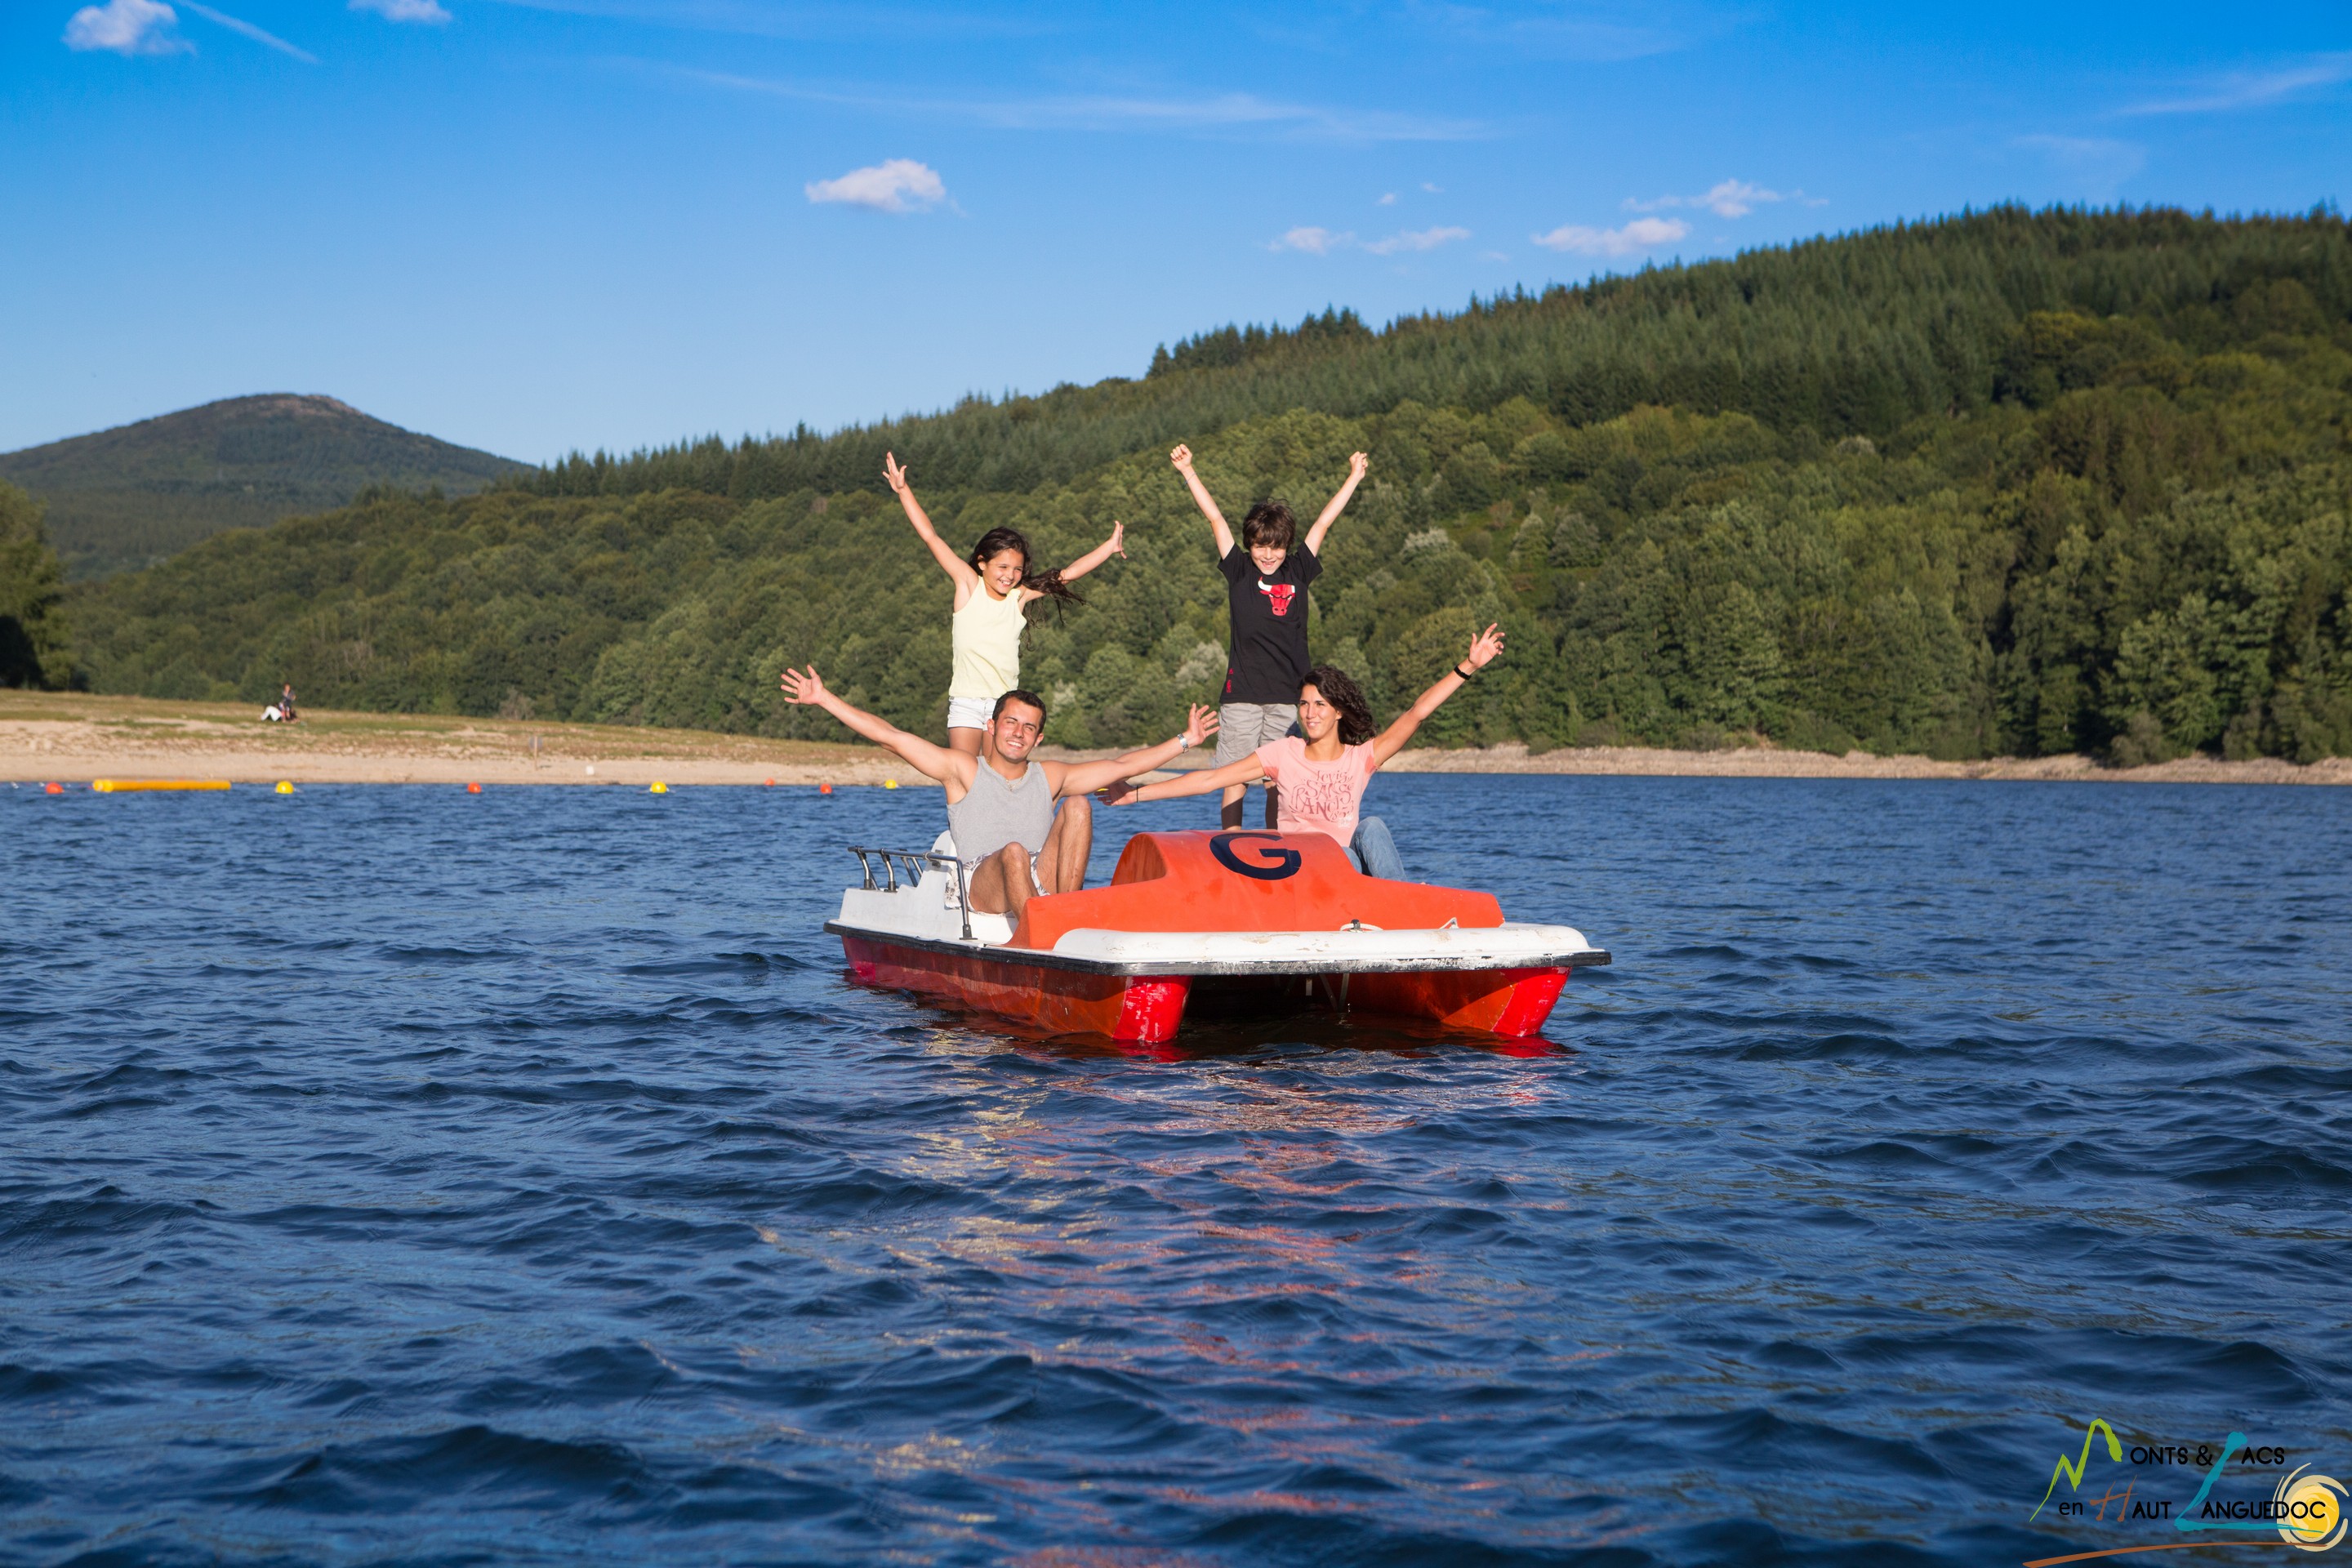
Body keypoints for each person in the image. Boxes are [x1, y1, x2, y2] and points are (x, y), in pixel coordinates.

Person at [780, 665, 1218, 921]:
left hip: (1039, 878)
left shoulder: (1050, 776)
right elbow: (892, 737)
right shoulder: (963, 770)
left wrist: (1186, 740)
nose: (1018, 733)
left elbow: (1122, 767)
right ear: (991, 727)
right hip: (981, 884)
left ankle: (1066, 916)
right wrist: (824, 699)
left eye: (1029, 727)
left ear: (1038, 738)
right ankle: (1040, 938)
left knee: (1079, 805)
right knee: (1012, 852)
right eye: (1011, 722)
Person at [1100, 624, 1507, 880]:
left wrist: (1468, 666)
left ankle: (1404, 915)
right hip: (1298, 872)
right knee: (1343, 857)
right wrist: (1133, 794)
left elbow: (1416, 713)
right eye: (1304, 704)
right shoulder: (1283, 753)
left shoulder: (1360, 758)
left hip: (1347, 871)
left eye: (1320, 705)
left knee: (1371, 828)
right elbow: (1209, 780)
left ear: (1338, 711)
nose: (1310, 713)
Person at [1169, 442, 1367, 830]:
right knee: (1233, 776)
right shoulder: (1239, 570)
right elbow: (1215, 519)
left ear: (1286, 546)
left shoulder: (1298, 570)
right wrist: (1189, 471)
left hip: (1288, 696)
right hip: (1241, 694)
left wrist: (1354, 477)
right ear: (1250, 545)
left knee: (1278, 780)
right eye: (1261, 546)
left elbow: (1323, 524)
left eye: (1276, 547)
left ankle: (1275, 843)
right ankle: (1231, 840)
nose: (1268, 554)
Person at [884, 452, 1128, 758]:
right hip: (965, 702)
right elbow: (931, 536)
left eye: (1016, 570)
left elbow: (1066, 575)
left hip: (1004, 707)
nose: (1009, 576)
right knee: (962, 775)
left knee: (995, 778)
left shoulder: (1019, 596)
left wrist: (1109, 547)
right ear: (982, 563)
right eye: (1002, 567)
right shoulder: (968, 585)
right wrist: (903, 490)